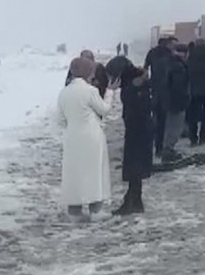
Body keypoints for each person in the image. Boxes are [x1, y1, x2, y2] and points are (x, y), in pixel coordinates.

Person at [58, 57, 111, 221]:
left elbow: (60, 119)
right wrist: (110, 93)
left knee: (74, 173)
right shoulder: (90, 91)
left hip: (72, 137)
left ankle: (74, 210)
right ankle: (95, 209)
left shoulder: (64, 92)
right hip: (91, 136)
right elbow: (104, 109)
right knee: (94, 171)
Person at [109, 55, 153, 215]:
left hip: (137, 129)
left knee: (134, 166)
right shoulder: (138, 82)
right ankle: (135, 201)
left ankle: (132, 202)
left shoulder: (133, 86)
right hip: (141, 127)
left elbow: (133, 106)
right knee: (136, 167)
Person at [161, 44, 191, 162]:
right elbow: (179, 87)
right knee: (175, 127)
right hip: (176, 102)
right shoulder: (178, 67)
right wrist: (184, 99)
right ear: (183, 53)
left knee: (170, 126)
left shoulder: (169, 63)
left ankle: (167, 148)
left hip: (169, 100)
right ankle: (168, 150)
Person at [145, 36, 174, 157]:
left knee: (156, 117)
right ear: (166, 44)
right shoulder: (169, 54)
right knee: (163, 120)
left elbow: (146, 67)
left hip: (154, 87)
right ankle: (160, 148)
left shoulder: (151, 52)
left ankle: (151, 145)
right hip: (166, 89)